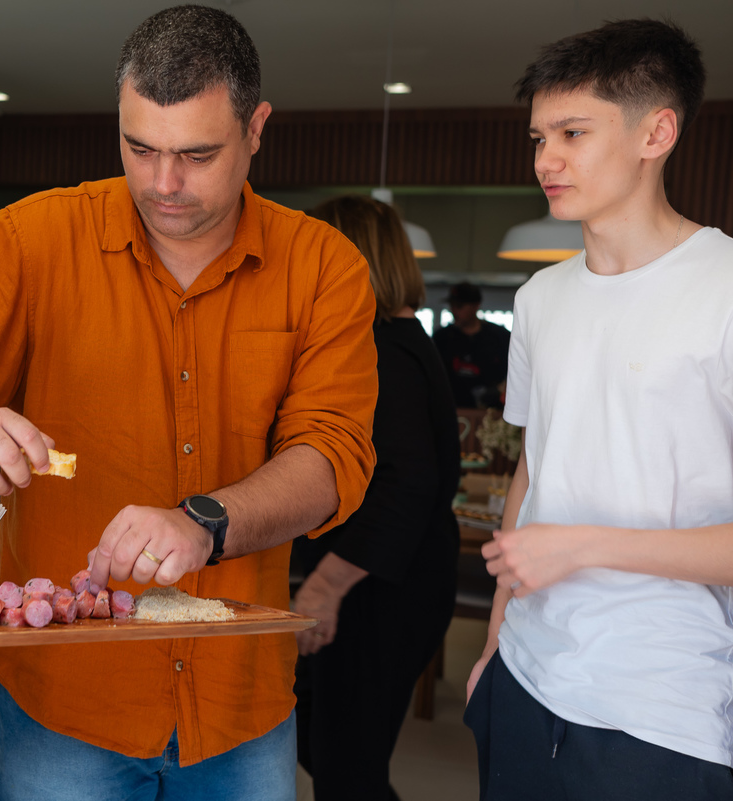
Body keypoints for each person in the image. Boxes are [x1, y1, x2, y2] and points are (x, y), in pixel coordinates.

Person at [0, 6, 378, 799]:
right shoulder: (32, 238)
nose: (163, 183)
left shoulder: (322, 265)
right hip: (66, 699)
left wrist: (204, 522)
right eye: (140, 147)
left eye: (197, 154)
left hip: (238, 701)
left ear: (256, 129)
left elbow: (333, 456)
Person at [466, 18, 733, 800]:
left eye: (573, 133)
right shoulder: (539, 297)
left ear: (657, 132)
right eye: (539, 137)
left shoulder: (723, 288)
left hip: (660, 707)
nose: (545, 160)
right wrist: (492, 642)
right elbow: (533, 469)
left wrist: (582, 545)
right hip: (522, 675)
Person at [292, 196, 459, 801]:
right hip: (387, 577)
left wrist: (325, 588)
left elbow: (405, 485)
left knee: (345, 767)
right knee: (327, 746)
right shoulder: (398, 340)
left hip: (381, 586)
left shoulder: (384, 348)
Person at [432, 282, 509, 408]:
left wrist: (500, 389)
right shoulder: (442, 338)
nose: (454, 311)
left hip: (492, 411)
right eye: (452, 306)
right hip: (452, 409)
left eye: (459, 306)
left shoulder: (500, 337)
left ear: (475, 306)